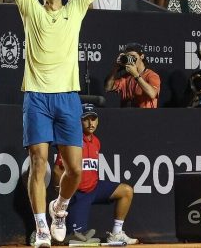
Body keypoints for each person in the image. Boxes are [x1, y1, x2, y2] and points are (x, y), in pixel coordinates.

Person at [1, 0, 114, 248]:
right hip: (36, 95)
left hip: (67, 97)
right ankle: (42, 227)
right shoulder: (30, 8)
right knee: (38, 163)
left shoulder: (75, 9)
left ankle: (60, 208)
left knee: (75, 172)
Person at [53, 104, 138, 245]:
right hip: (78, 193)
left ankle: (116, 233)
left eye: (93, 119)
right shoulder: (72, 141)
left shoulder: (96, 142)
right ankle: (45, 233)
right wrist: (62, 193)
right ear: (79, 121)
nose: (90, 123)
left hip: (95, 188)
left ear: (97, 121)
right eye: (86, 119)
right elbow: (57, 169)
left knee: (126, 191)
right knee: (75, 238)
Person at [104, 43, 160, 108]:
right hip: (126, 115)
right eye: (128, 57)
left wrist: (136, 75)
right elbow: (108, 88)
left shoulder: (151, 75)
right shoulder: (126, 77)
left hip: (146, 116)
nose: (131, 59)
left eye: (133, 56)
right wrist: (116, 68)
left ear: (141, 56)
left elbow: (152, 94)